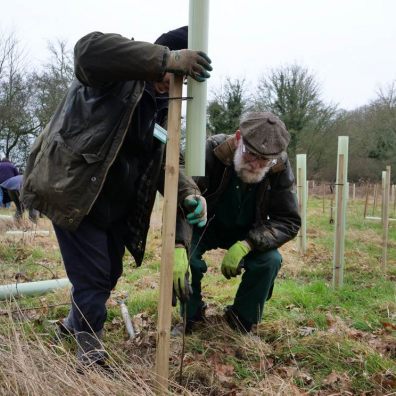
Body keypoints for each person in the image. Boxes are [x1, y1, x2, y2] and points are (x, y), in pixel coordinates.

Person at [21, 26, 211, 366]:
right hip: (76, 190)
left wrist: (189, 194)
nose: (177, 83)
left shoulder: (166, 107)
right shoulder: (115, 76)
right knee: (92, 277)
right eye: (177, 71)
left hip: (116, 207)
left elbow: (169, 161)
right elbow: (87, 51)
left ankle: (71, 324)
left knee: (109, 273)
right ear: (166, 59)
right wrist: (165, 59)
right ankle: (90, 351)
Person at [172, 112, 301, 334]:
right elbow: (184, 197)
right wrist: (178, 245)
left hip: (248, 231)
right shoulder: (212, 151)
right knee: (187, 261)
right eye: (251, 154)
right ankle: (190, 318)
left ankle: (241, 320)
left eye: (265, 160)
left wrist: (248, 244)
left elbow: (288, 220)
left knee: (270, 261)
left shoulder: (278, 165)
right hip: (203, 224)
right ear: (239, 137)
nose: (256, 164)